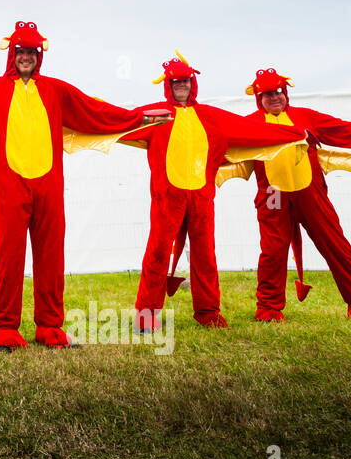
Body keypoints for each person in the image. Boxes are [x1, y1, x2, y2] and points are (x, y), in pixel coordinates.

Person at [0, 21, 167, 349]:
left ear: (39, 55)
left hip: (49, 185)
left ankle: (49, 326)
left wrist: (138, 118)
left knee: (51, 254)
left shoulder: (56, 91)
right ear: (12, 54)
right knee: (8, 256)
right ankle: (6, 328)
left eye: (31, 52)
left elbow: (95, 111)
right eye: (20, 51)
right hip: (8, 185)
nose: (25, 57)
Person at [124, 53, 306, 330]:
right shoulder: (156, 115)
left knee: (205, 254)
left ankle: (208, 312)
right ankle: (146, 316)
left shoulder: (211, 117)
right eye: (176, 83)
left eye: (185, 81)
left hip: (201, 196)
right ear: (168, 86)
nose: (181, 86)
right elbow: (116, 121)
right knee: (158, 253)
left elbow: (253, 130)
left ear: (192, 83)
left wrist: (296, 134)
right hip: (166, 197)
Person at [243, 67, 351, 321]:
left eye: (278, 93)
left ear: (285, 93)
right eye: (267, 95)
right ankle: (269, 309)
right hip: (273, 196)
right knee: (272, 252)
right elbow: (219, 140)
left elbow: (344, 130)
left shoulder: (306, 117)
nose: (274, 98)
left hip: (311, 194)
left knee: (336, 247)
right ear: (259, 99)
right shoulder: (250, 123)